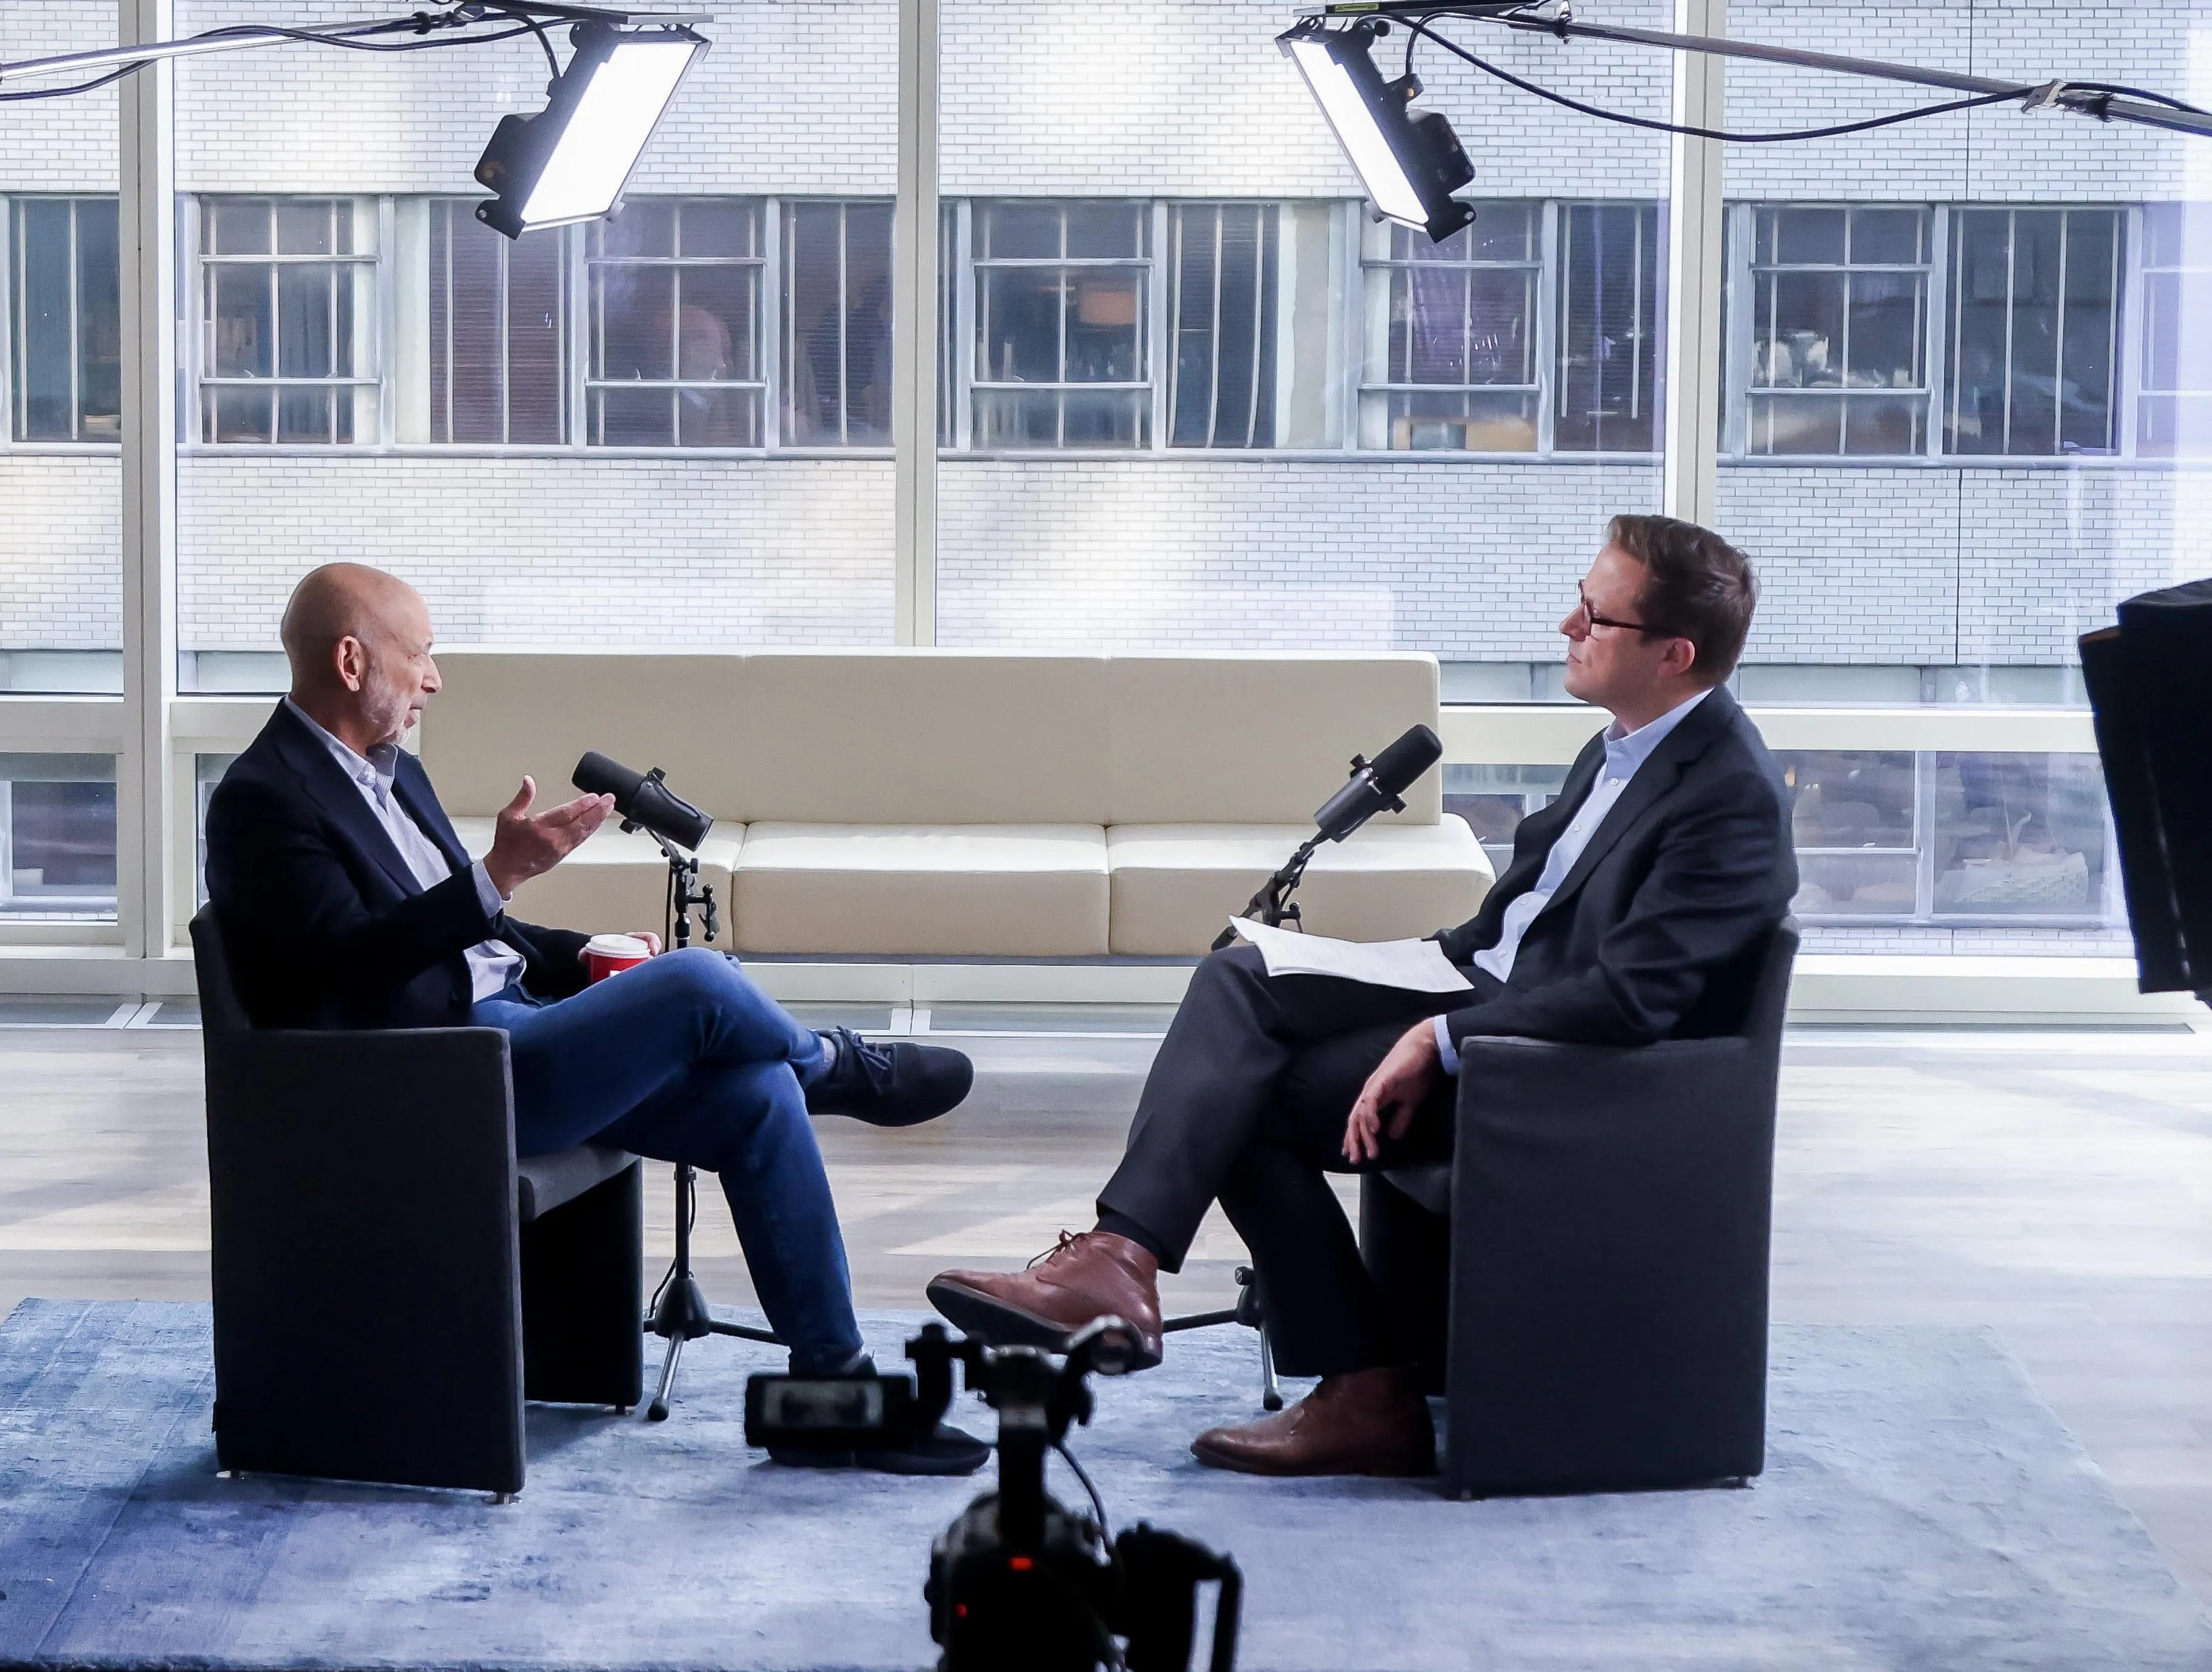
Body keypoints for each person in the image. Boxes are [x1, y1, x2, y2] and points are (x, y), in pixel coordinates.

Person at [925, 515, 1799, 1479]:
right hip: (1477, 990)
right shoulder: (1617, 747)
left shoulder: (1730, 796)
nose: (1566, 625)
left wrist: (1440, 1036)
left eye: (1595, 616)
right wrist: (1391, 971)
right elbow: (1511, 930)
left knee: (1241, 1094)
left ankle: (1319, 1366)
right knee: (1241, 972)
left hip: (1552, 1080)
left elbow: (1632, 998)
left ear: (1674, 654)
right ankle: (1129, 1263)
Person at [202, 562, 990, 1474]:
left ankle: (834, 1394)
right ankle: (841, 1065)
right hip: (436, 1083)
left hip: (511, 1032)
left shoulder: (395, 774)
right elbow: (356, 967)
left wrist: (580, 951)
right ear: (350, 660)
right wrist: (495, 875)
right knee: (699, 982)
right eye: (419, 655)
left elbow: (472, 933)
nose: (434, 678)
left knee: (757, 1092)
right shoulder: (263, 801)